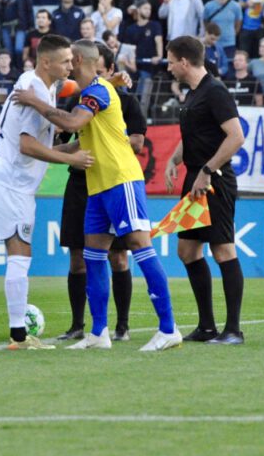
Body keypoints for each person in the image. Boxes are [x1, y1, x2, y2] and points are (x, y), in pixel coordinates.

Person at [12, 39, 182, 352]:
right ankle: (99, 332)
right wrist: (42, 153)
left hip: (122, 180)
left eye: (67, 61)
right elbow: (79, 141)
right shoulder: (92, 91)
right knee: (93, 255)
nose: (65, 66)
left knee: (138, 245)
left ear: (77, 60)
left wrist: (34, 101)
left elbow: (73, 122)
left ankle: (169, 328)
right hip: (97, 187)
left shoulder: (98, 92)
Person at [0, 37, 95, 351]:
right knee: (20, 252)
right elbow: (26, 145)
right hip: (11, 182)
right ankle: (19, 336)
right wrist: (70, 159)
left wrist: (71, 147)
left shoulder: (38, 84)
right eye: (66, 61)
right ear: (47, 62)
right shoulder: (36, 89)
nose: (71, 66)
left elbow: (36, 144)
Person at [56, 43, 146, 341]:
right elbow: (67, 134)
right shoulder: (81, 98)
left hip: (112, 180)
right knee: (78, 257)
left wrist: (108, 142)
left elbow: (136, 143)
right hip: (81, 183)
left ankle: (122, 325)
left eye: (104, 70)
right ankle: (79, 325)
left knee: (120, 256)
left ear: (106, 69)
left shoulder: (125, 102)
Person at [162, 35, 246, 344]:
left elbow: (236, 136)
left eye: (171, 61)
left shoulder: (215, 91)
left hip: (215, 181)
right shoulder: (194, 94)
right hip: (195, 179)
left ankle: (234, 330)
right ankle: (207, 326)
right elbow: (195, 134)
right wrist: (175, 158)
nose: (169, 67)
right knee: (187, 251)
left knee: (223, 250)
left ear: (184, 62)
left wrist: (207, 171)